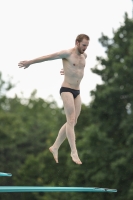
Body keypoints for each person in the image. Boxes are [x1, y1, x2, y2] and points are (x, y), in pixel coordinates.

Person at [18, 34, 90, 165]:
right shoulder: (67, 53)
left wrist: (67, 70)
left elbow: (77, 69)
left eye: (87, 46)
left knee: (73, 122)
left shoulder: (84, 56)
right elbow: (47, 57)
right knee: (71, 120)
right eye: (84, 45)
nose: (85, 48)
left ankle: (55, 146)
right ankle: (74, 151)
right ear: (77, 42)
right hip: (67, 90)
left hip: (77, 91)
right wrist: (30, 62)